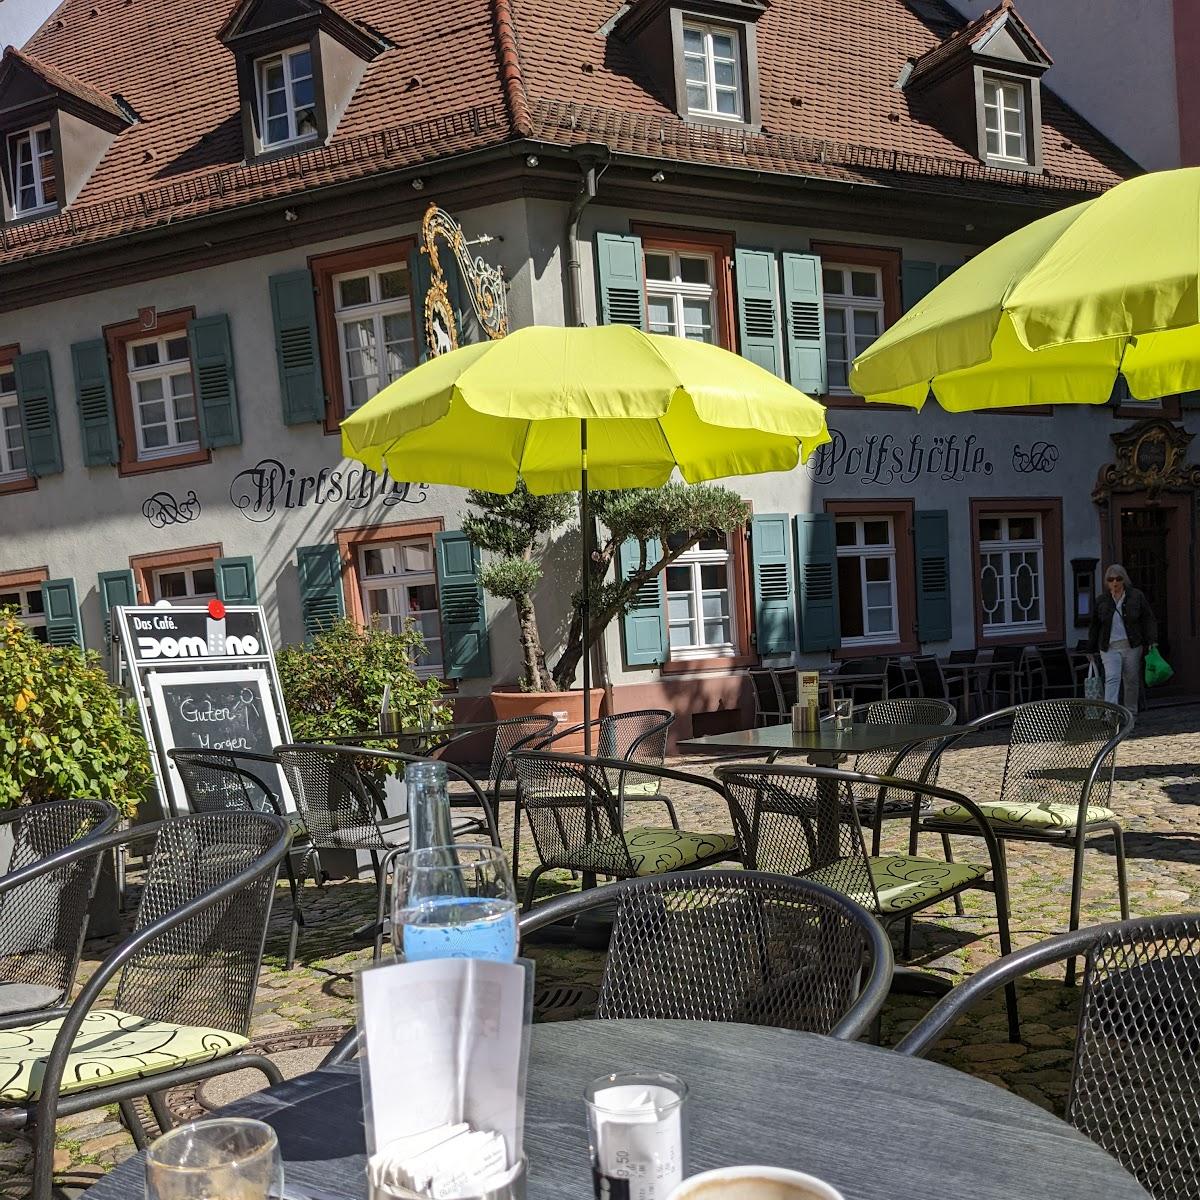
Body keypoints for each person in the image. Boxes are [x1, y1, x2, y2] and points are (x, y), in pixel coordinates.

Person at [1087, 563, 1158, 714]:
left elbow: (1148, 618)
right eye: (1111, 579)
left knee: (1131, 681)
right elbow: (1094, 625)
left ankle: (1131, 713)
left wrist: (1152, 640)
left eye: (1118, 579)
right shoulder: (1102, 600)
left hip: (1132, 645)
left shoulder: (1136, 596)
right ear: (1107, 582)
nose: (1115, 583)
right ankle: (1110, 715)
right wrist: (1090, 649)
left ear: (1124, 579)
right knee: (1112, 678)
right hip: (1110, 647)